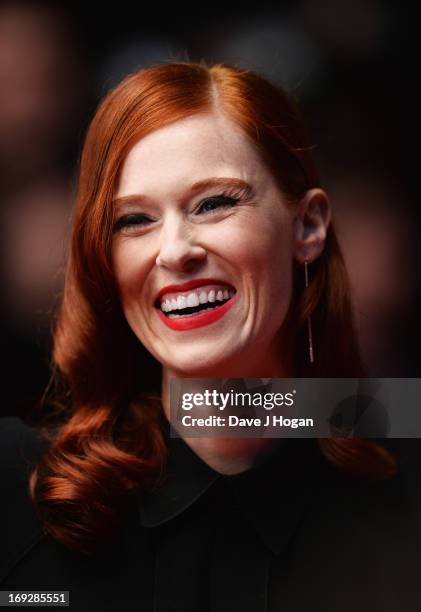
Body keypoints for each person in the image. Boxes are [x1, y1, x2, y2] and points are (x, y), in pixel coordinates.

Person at [0, 62, 419, 611]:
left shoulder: (395, 456)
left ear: (308, 226)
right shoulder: (20, 485)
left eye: (215, 203)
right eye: (133, 221)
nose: (175, 250)